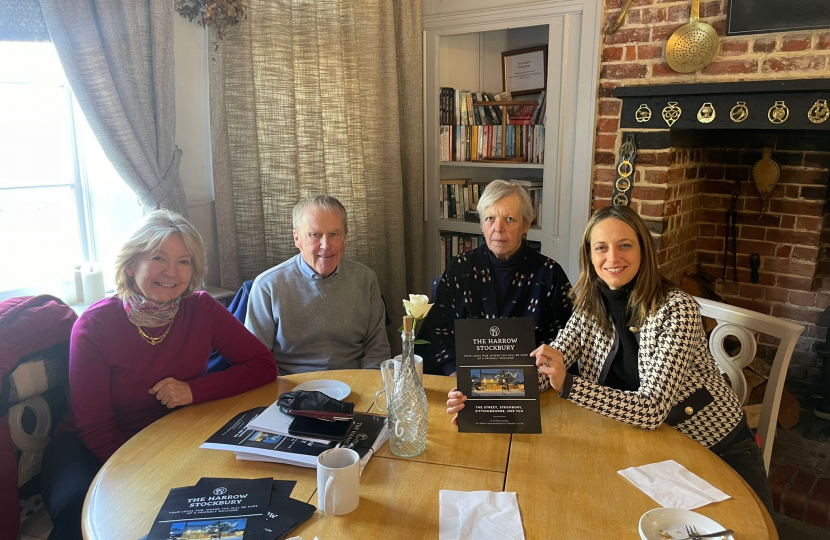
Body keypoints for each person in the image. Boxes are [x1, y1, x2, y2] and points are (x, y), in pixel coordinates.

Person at [447, 204, 774, 512]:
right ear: (589, 256)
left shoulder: (676, 308)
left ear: (644, 250)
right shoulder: (590, 304)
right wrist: (478, 391)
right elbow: (550, 368)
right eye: (601, 247)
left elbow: (651, 409)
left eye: (625, 245)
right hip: (641, 451)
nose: (612, 257)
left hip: (713, 446)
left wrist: (570, 385)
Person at [40, 210, 278, 540]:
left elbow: (263, 365)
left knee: (233, 496)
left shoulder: (201, 308)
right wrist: (150, 475)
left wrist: (193, 391)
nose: (172, 272)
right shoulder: (94, 327)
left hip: (173, 435)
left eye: (184, 261)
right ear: (129, 265)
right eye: (158, 258)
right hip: (90, 448)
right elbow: (94, 427)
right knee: (79, 512)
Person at [423, 180, 572, 376]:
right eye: (490, 218)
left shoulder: (550, 273)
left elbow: (567, 340)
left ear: (526, 226)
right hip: (465, 380)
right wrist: (454, 372)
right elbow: (438, 333)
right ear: (482, 226)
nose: (498, 228)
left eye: (510, 219)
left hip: (531, 383)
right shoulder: (459, 269)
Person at [245, 194, 391, 374]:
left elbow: (377, 350)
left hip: (355, 386)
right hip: (291, 390)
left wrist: (370, 389)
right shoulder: (267, 286)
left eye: (334, 234)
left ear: (345, 236)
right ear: (297, 238)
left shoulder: (366, 280)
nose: (325, 245)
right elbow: (256, 361)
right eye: (315, 235)